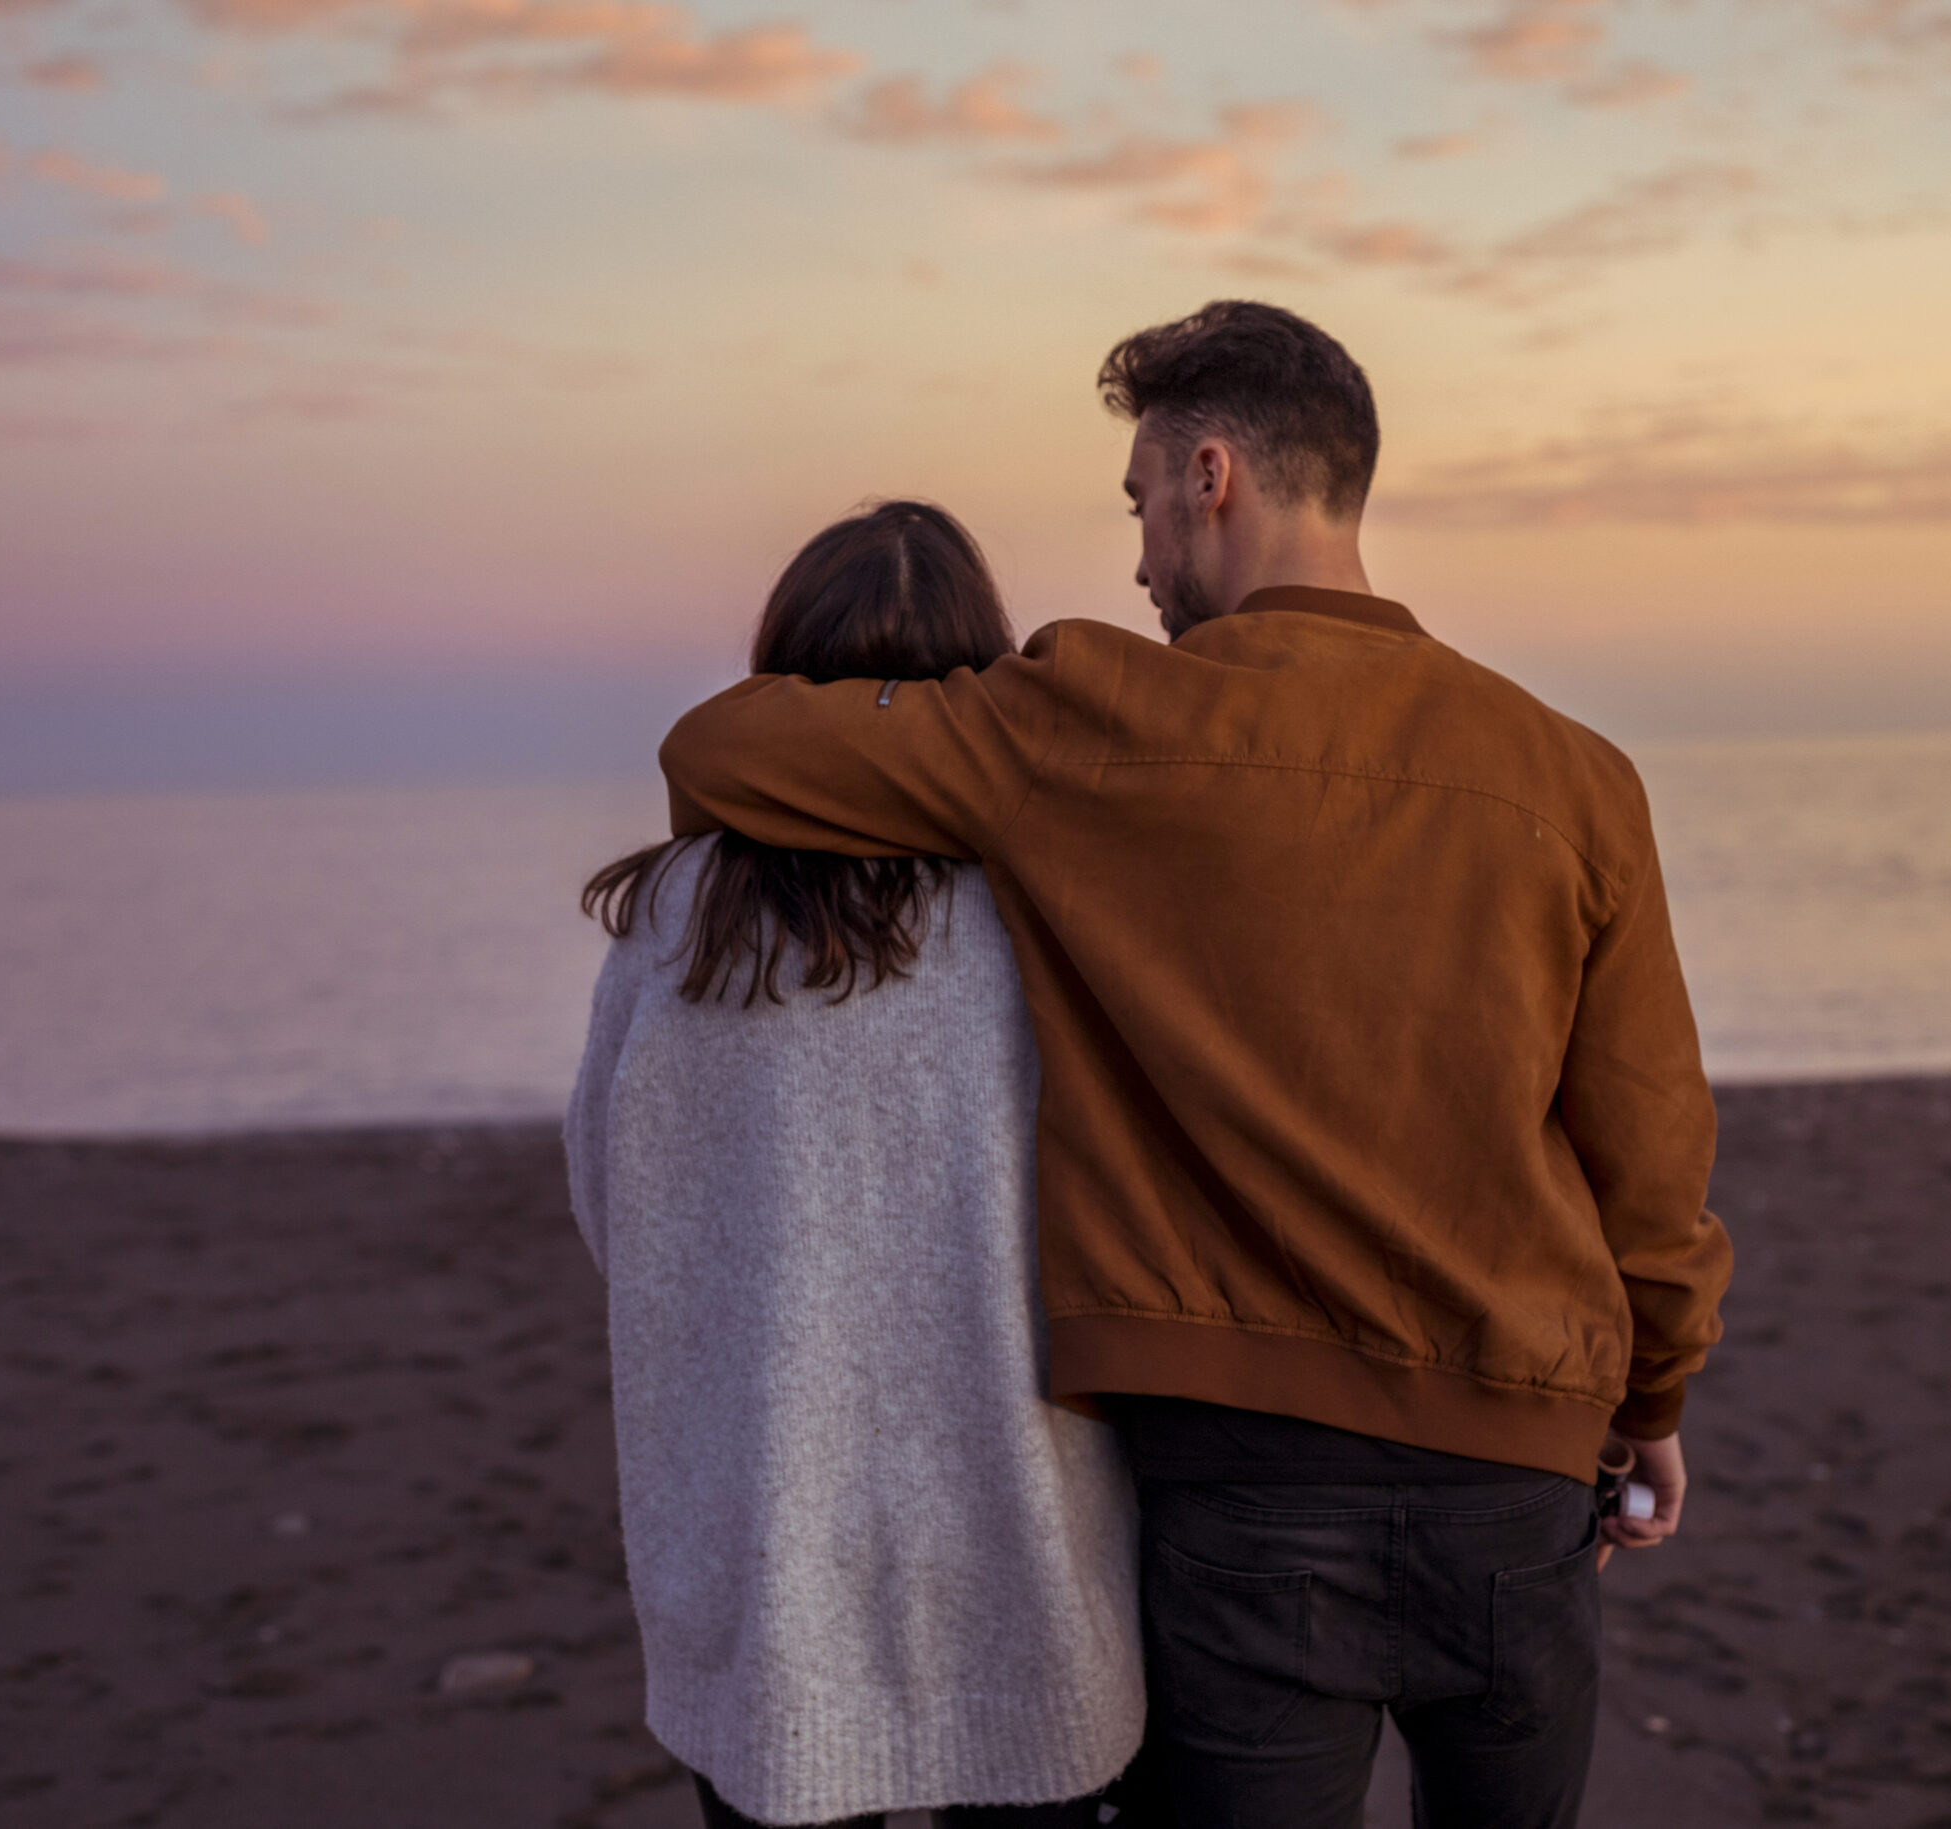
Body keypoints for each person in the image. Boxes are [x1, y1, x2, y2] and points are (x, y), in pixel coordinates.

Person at [648, 303, 1734, 1828]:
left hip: (1245, 1503)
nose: (1143, 558)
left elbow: (720, 749)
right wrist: (1658, 1397)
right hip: (1521, 1483)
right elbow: (1651, 1154)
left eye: (1141, 504)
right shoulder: (1576, 775)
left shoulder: (1089, 723)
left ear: (1210, 474)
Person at [564, 501, 1146, 1829]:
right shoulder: (1047, 910)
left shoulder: (674, 916)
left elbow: (613, 1205)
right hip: (1021, 1536)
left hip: (767, 1532)